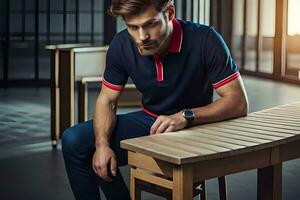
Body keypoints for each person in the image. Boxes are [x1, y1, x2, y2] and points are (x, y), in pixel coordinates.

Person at [61, 0, 249, 199]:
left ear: (169, 13)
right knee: (76, 141)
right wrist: (102, 146)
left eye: (151, 24)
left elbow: (238, 102)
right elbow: (107, 100)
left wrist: (185, 116)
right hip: (151, 122)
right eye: (133, 27)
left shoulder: (205, 39)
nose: (142, 37)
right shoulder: (122, 43)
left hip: (197, 126)